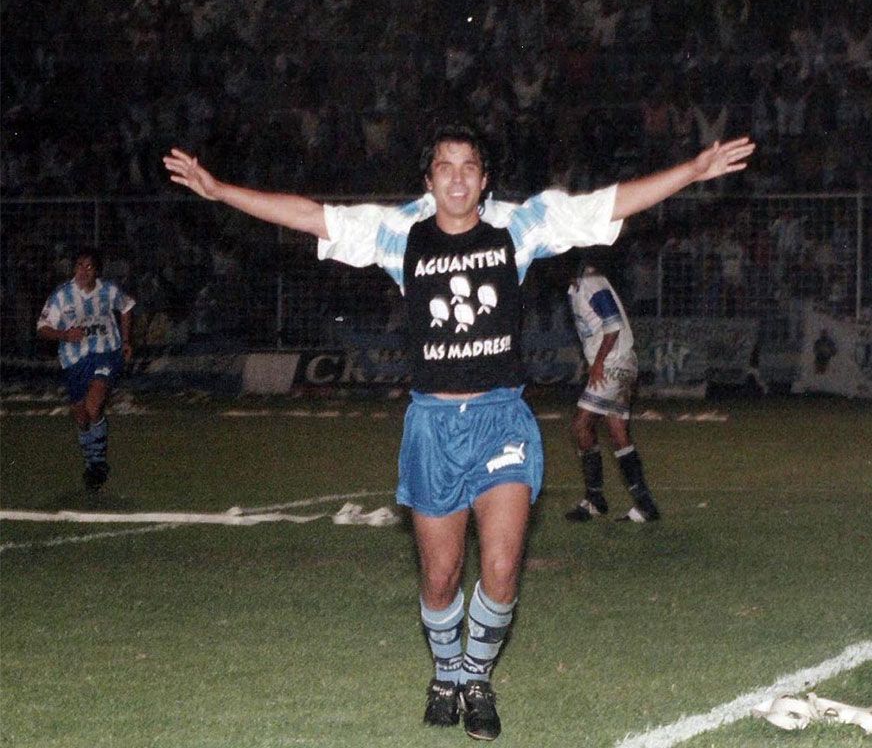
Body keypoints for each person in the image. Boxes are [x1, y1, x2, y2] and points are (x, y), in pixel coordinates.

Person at [163, 125, 754, 742]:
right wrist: (220, 189)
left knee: (500, 569)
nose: (456, 177)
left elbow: (603, 205)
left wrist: (689, 171)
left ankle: (476, 677)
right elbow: (312, 216)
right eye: (444, 166)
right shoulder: (398, 234)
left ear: (484, 178)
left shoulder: (518, 228)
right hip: (433, 426)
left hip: (502, 419)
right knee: (440, 578)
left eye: (469, 165)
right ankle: (444, 670)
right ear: (428, 180)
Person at [563, 260, 660, 524]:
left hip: (613, 364)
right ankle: (645, 505)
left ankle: (595, 499)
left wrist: (597, 363)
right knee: (617, 433)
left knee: (581, 425)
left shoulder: (591, 283)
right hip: (620, 361)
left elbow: (613, 324)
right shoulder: (575, 289)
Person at [36, 248, 135, 500]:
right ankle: (93, 463)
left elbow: (125, 307)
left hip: (106, 352)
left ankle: (99, 462)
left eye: (88, 267)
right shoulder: (62, 295)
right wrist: (64, 335)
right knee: (81, 415)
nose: (82, 271)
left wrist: (125, 341)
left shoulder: (108, 290)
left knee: (95, 402)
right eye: (79, 265)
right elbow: (43, 327)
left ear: (97, 270)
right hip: (74, 359)